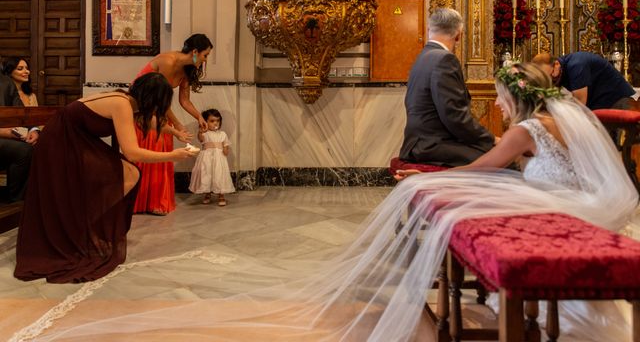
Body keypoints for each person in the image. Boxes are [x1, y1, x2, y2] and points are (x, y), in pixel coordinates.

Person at [19, 63, 637, 341]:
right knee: (117, 179)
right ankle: (81, 237)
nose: (497, 106)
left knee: (438, 192)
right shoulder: (550, 125)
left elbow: (490, 162)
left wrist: (442, 177)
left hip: (559, 208)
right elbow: (131, 154)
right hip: (66, 146)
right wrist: (179, 156)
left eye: (502, 98)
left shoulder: (528, 130)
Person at [13, 72, 196, 283]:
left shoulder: (128, 102)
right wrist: (173, 156)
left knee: (131, 173)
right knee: (128, 172)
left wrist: (175, 133)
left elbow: (147, 122)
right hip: (60, 141)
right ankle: (84, 226)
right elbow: (133, 153)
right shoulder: (121, 104)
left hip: (78, 139)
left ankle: (88, 225)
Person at [399, 7, 495, 167]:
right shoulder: (445, 60)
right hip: (432, 144)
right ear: (459, 34)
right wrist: (490, 140)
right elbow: (454, 116)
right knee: (504, 162)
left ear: (429, 29)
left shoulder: (423, 56)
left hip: (419, 141)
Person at [133, 33, 213, 215]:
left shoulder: (187, 70)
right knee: (154, 147)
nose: (205, 60)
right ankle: (141, 201)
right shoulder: (169, 62)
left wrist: (198, 117)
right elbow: (160, 98)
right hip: (143, 109)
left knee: (162, 148)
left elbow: (184, 100)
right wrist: (177, 125)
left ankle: (155, 202)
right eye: (205, 55)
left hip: (159, 109)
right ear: (194, 51)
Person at [532, 51, 636, 110]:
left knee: (616, 146)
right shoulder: (559, 69)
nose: (550, 81)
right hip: (600, 105)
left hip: (617, 101)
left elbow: (580, 103)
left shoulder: (576, 65)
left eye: (551, 75)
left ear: (556, 64)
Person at [188, 108, 234, 206]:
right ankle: (207, 193)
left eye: (217, 121)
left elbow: (225, 144)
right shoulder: (205, 134)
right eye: (212, 121)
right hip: (206, 158)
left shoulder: (222, 134)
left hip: (219, 158)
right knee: (207, 174)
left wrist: (226, 149)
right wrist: (200, 131)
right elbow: (200, 139)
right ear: (205, 122)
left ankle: (221, 195)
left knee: (219, 174)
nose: (215, 123)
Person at [0, 72, 34, 203]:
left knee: (34, 145)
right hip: (3, 136)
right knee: (22, 150)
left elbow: (21, 112)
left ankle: (20, 202)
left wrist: (33, 130)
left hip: (7, 138)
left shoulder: (6, 82)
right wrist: (4, 132)